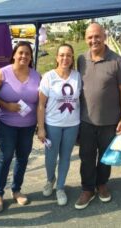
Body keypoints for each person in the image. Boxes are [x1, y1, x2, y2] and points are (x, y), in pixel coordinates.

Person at [75, 22, 121, 210]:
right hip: (86, 120)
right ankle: (87, 188)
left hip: (110, 121)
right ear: (85, 39)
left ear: (104, 36)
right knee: (86, 156)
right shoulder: (81, 59)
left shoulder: (117, 61)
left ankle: (102, 184)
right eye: (90, 37)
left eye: (97, 36)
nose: (94, 40)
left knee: (106, 157)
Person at [0, 41, 40, 212]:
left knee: (23, 158)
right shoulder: (3, 73)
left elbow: (41, 101)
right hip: (7, 125)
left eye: (27, 53)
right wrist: (6, 105)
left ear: (31, 57)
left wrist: (41, 125)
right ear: (14, 54)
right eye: (21, 53)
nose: (24, 56)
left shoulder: (36, 76)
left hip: (28, 126)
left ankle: (16, 190)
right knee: (6, 157)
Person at [37, 43, 81, 206]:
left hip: (72, 124)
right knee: (50, 158)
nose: (65, 58)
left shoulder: (77, 76)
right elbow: (41, 104)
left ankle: (60, 187)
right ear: (56, 57)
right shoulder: (48, 77)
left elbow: (80, 101)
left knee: (65, 158)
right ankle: (50, 179)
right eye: (62, 55)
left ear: (72, 58)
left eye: (68, 55)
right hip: (52, 124)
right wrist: (41, 128)